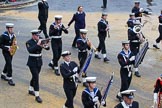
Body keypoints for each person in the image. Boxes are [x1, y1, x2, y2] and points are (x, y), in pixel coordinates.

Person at [26, 29, 50, 103]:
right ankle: (37, 95)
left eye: (38, 35)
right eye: (36, 35)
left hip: (39, 61)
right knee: (36, 77)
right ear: (33, 35)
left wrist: (45, 46)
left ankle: (30, 89)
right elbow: (30, 50)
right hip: (32, 62)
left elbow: (48, 48)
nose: (38, 36)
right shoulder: (29, 42)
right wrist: (38, 44)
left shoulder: (40, 40)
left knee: (35, 76)